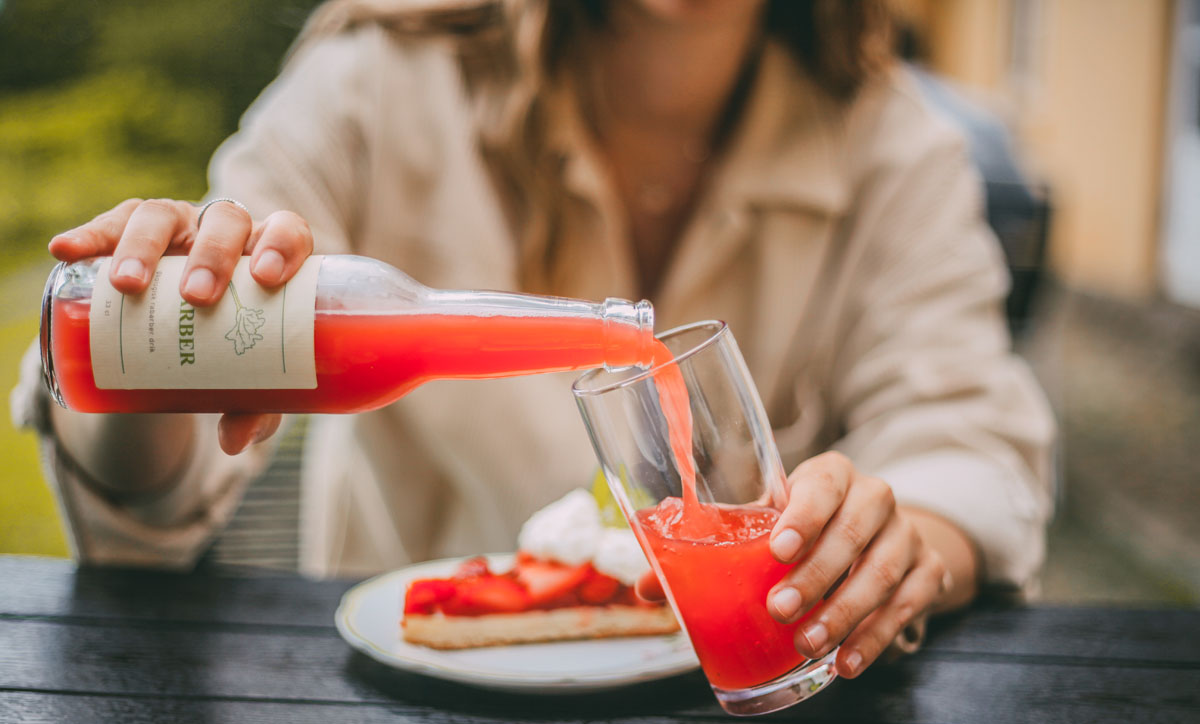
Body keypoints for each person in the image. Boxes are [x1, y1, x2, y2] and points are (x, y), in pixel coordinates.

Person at [13, 0, 1055, 680]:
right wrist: (150, 331)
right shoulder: (378, 81)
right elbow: (145, 514)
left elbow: (969, 439)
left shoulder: (895, 144)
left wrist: (902, 536)